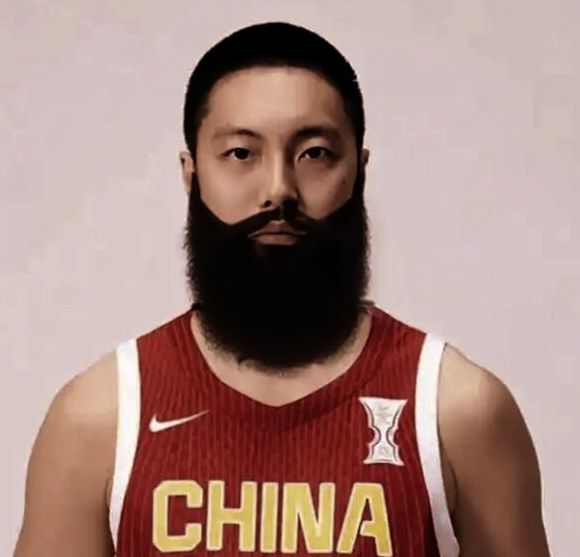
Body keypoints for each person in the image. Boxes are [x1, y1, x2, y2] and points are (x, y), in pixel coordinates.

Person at [13, 22, 551, 557]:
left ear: (360, 170)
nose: (278, 190)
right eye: (241, 153)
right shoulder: (98, 420)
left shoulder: (458, 412)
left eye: (314, 153)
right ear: (192, 174)